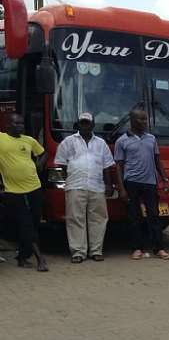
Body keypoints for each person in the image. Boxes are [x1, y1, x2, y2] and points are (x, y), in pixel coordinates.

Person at [54, 112, 115, 263]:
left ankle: (96, 251)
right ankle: (78, 252)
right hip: (75, 185)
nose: (85, 125)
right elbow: (61, 164)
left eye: (87, 123)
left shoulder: (101, 143)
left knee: (98, 219)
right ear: (78, 124)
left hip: (97, 186)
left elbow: (107, 166)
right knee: (75, 219)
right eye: (82, 123)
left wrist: (108, 184)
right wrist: (67, 181)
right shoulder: (68, 142)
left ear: (93, 125)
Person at [114, 108, 169, 260]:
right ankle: (137, 248)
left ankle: (159, 249)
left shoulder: (151, 139)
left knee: (154, 216)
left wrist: (165, 179)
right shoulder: (121, 141)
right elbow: (119, 166)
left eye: (145, 119)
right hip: (131, 183)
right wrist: (121, 188)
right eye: (141, 119)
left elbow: (157, 160)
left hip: (150, 183)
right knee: (135, 217)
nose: (144, 122)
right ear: (132, 120)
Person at [0, 113, 48, 272]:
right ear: (8, 125)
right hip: (13, 190)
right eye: (17, 123)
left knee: (34, 222)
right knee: (26, 224)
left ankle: (22, 256)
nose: (20, 126)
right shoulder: (1, 139)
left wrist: (39, 164)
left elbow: (43, 153)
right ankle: (40, 258)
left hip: (34, 187)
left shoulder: (29, 140)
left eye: (22, 123)